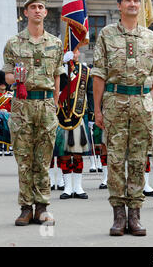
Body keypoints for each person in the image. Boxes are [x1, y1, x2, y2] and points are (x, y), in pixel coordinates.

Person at [91, 0, 153, 236]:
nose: (133, 4)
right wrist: (98, 110)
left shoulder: (151, 37)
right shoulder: (106, 34)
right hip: (115, 101)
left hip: (142, 104)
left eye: (136, 0)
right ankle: (118, 215)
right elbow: (98, 74)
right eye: (128, 1)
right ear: (119, 6)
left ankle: (135, 214)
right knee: (116, 160)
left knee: (139, 159)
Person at [3, 0, 63, 226]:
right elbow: (6, 75)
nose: (37, 10)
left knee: (43, 158)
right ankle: (26, 208)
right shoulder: (14, 43)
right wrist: (14, 77)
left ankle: (43, 207)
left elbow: (58, 76)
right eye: (33, 7)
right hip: (22, 105)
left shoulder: (55, 43)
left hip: (46, 104)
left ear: (45, 12)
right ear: (25, 12)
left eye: (41, 7)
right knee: (24, 158)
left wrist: (56, 102)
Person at [54, 47, 92, 200]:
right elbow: (57, 88)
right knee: (64, 154)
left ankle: (78, 187)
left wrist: (93, 116)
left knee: (77, 153)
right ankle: (67, 187)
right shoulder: (59, 68)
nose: (75, 54)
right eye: (72, 51)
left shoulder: (85, 70)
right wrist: (63, 67)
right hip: (61, 115)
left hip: (78, 114)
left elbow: (89, 92)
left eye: (77, 51)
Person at [0, 70, 13, 156]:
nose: (3, 85)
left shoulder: (10, 95)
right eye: (1, 83)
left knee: (8, 132)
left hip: (8, 116)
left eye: (4, 83)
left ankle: (7, 149)